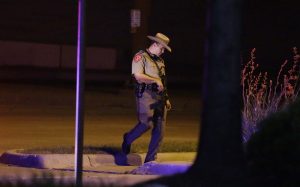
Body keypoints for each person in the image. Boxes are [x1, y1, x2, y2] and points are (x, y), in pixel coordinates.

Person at [122, 33, 172, 163]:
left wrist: (166, 98)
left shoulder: (160, 61)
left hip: (160, 97)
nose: (163, 52)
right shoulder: (141, 57)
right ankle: (127, 139)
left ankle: (150, 160)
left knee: (160, 129)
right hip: (146, 95)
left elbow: (162, 81)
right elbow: (138, 76)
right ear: (155, 44)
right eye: (162, 48)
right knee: (146, 123)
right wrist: (154, 80)